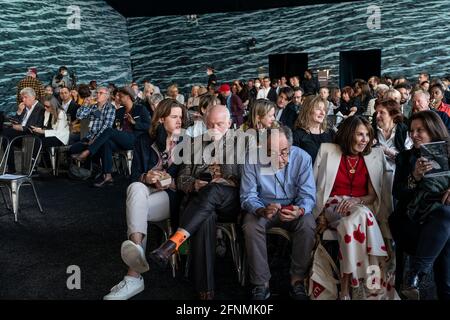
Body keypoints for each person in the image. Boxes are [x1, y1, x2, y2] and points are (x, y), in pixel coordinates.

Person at [150, 105, 241, 300]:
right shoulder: (194, 145)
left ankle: (173, 242)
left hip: (230, 200)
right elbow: (182, 178)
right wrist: (194, 184)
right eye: (210, 125)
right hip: (202, 203)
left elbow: (243, 179)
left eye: (220, 125)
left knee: (214, 189)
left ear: (230, 124)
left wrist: (219, 148)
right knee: (206, 213)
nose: (214, 129)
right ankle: (205, 290)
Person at [103, 99, 186, 300]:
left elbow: (187, 182)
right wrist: (146, 177)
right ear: (161, 118)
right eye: (174, 117)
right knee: (136, 187)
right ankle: (137, 254)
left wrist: (169, 181)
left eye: (181, 117)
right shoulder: (143, 140)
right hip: (146, 192)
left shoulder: (186, 143)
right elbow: (134, 177)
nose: (179, 121)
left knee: (137, 203)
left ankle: (133, 275)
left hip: (171, 196)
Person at [314, 116, 395, 300]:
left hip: (359, 208)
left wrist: (356, 201)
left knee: (351, 223)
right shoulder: (328, 151)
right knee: (361, 215)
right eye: (360, 134)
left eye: (367, 135)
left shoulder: (373, 156)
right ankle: (366, 283)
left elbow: (372, 196)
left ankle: (345, 287)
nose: (365, 139)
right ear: (349, 134)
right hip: (333, 206)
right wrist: (319, 216)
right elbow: (314, 186)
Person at [240, 126, 316, 300]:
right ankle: (261, 284)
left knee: (308, 224)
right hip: (264, 207)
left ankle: (297, 280)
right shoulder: (252, 159)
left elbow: (308, 195)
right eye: (272, 153)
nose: (279, 158)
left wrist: (300, 210)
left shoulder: (302, 158)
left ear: (290, 146)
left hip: (293, 208)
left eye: (284, 152)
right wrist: (261, 209)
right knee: (250, 225)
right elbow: (247, 195)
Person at [389, 110, 450, 300]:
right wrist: (414, 177)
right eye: (411, 131)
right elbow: (397, 193)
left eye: (419, 130)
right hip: (411, 223)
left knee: (445, 217)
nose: (413, 135)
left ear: (433, 130)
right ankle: (424, 280)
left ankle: (414, 276)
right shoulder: (405, 158)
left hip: (441, 223)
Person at [72, 87, 150, 187]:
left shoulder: (140, 109)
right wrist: (94, 108)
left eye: (120, 96)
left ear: (128, 97)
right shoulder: (120, 111)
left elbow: (149, 126)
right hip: (122, 139)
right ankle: (107, 176)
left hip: (135, 139)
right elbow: (111, 126)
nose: (118, 98)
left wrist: (134, 123)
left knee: (108, 131)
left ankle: (87, 153)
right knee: (106, 142)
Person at [3, 87, 45, 172]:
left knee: (7, 134)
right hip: (20, 133)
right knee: (5, 135)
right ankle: (11, 168)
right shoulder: (23, 107)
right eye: (22, 98)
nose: (23, 100)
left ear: (33, 97)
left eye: (25, 97)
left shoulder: (40, 108)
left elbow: (33, 127)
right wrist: (18, 112)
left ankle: (17, 168)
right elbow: (15, 122)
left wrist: (19, 127)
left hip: (32, 134)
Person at [372, 99, 412, 169]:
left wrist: (386, 151)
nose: (377, 116)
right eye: (376, 113)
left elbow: (409, 159)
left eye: (382, 112)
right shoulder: (371, 131)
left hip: (398, 173)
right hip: (375, 171)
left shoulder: (404, 131)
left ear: (393, 115)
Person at [293, 96, 334, 162]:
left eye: (324, 109)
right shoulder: (298, 135)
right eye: (318, 109)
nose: (323, 113)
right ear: (308, 110)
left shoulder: (331, 133)